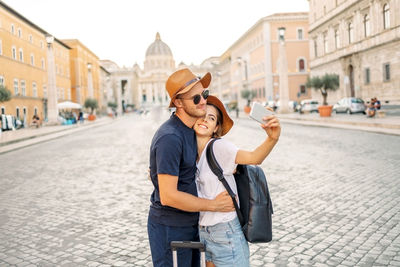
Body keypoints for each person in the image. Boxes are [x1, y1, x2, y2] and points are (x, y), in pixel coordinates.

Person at [148, 68, 234, 267]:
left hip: (191, 224)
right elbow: (168, 196)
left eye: (204, 94)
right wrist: (213, 205)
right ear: (178, 103)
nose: (203, 101)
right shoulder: (170, 137)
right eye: (196, 98)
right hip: (171, 228)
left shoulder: (190, 128)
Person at [193, 95, 280, 267]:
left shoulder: (219, 147)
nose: (204, 120)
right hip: (204, 233)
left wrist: (272, 138)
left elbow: (255, 158)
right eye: (202, 114)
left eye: (211, 118)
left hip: (225, 233)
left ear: (216, 127)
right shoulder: (190, 151)